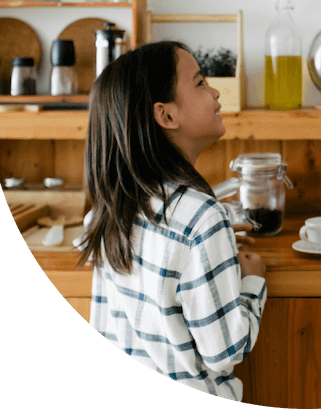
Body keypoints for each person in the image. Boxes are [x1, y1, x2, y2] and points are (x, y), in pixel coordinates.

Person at [78, 40, 267, 399]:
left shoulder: (109, 209)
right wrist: (253, 281)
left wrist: (216, 246)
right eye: (199, 82)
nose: (214, 91)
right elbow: (226, 351)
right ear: (166, 116)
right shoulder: (202, 218)